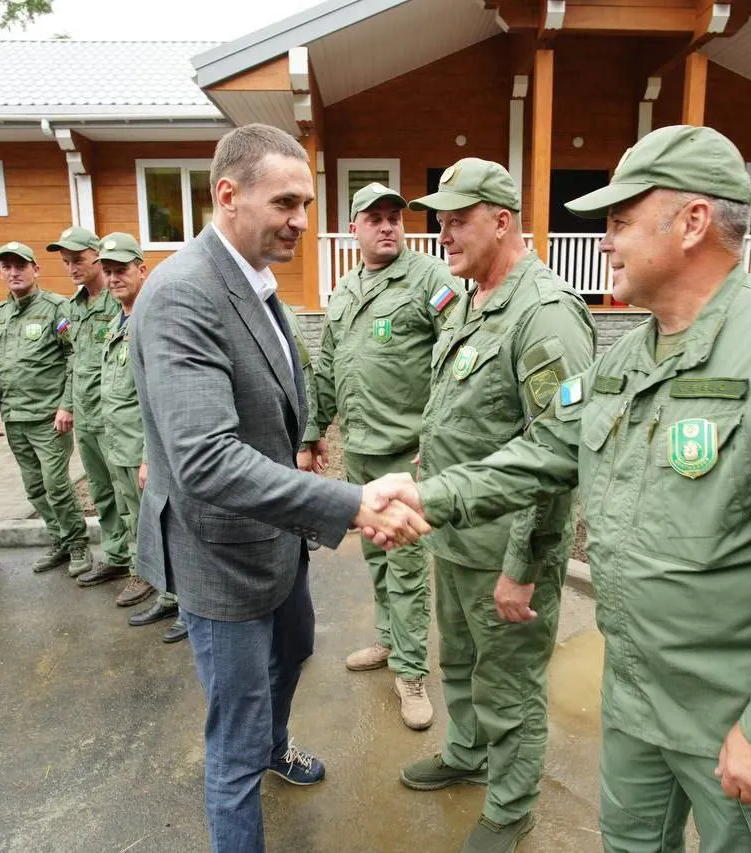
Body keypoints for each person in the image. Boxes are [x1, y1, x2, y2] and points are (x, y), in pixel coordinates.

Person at [368, 125, 751, 853]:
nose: (605, 240)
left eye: (619, 221)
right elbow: (542, 451)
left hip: (735, 714)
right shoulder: (630, 358)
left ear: (692, 222)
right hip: (636, 697)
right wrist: (429, 497)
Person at [128, 122, 428, 853]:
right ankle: (251, 771)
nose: (301, 220)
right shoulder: (182, 293)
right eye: (286, 202)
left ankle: (276, 744)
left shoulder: (256, 281)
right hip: (219, 553)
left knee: (292, 653)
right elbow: (204, 458)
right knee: (232, 738)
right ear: (227, 195)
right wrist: (352, 504)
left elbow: (267, 397)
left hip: (274, 541)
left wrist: (304, 442)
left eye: (307, 203)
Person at [400, 157, 596, 852]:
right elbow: (466, 407)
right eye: (440, 221)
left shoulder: (545, 316)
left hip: (504, 554)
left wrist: (524, 566)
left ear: (502, 220)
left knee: (510, 686)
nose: (442, 234)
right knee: (459, 662)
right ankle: (466, 752)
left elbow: (559, 457)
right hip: (453, 536)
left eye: (457, 220)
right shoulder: (468, 298)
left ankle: (511, 809)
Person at [305, 181, 460, 730]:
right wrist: (309, 435)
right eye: (375, 218)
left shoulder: (430, 280)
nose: (388, 225)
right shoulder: (345, 290)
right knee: (375, 555)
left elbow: (458, 357)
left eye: (395, 216)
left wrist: (436, 443)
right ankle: (391, 644)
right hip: (362, 453)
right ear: (355, 229)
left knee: (409, 565)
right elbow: (327, 368)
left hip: (407, 456)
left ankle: (413, 672)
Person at [93, 232, 184, 643]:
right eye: (107, 272)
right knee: (139, 524)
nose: (113, 279)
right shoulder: (117, 320)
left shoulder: (155, 318)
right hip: (120, 445)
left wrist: (152, 455)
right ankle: (166, 595)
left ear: (142, 269)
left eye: (121, 270)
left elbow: (163, 397)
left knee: (170, 526)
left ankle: (188, 605)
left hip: (146, 449)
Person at [0, 241, 93, 578]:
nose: (14, 272)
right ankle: (59, 540)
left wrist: (67, 405)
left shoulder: (56, 309)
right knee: (34, 487)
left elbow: (73, 357)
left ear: (36, 269)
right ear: (0, 272)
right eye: (7, 267)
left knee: (56, 484)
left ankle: (78, 543)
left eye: (21, 266)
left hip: (49, 417)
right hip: (15, 417)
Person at [48, 226, 130, 586]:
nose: (72, 268)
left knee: (127, 493)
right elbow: (73, 361)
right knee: (101, 491)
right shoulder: (72, 307)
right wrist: (67, 405)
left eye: (78, 260)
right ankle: (116, 554)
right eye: (66, 263)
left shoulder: (121, 301)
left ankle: (142, 565)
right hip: (86, 415)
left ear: (97, 256)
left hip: (116, 415)